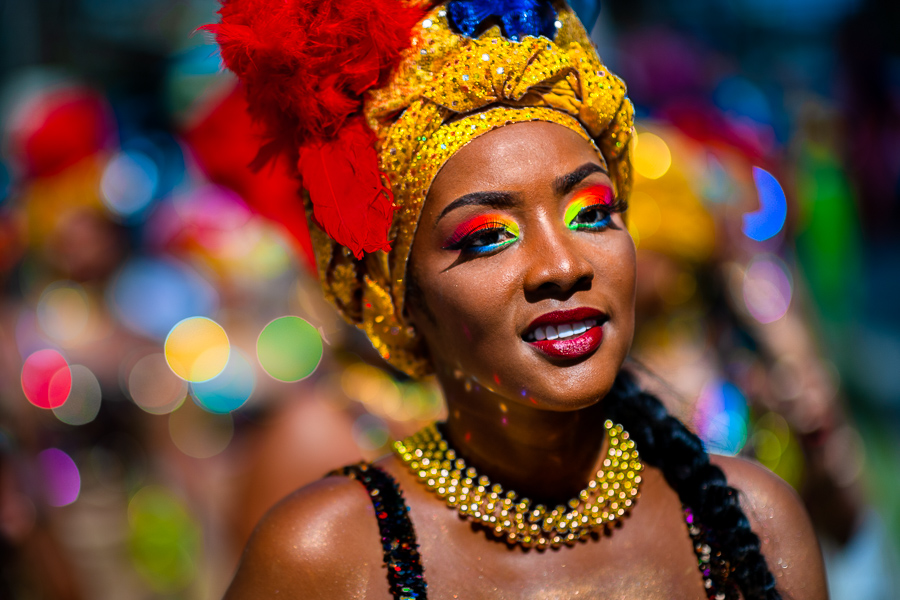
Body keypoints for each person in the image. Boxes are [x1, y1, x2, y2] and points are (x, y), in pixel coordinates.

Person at [206, 1, 828, 598]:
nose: (562, 266)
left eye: (592, 214)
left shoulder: (754, 521)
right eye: (485, 238)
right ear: (400, 300)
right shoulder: (329, 557)